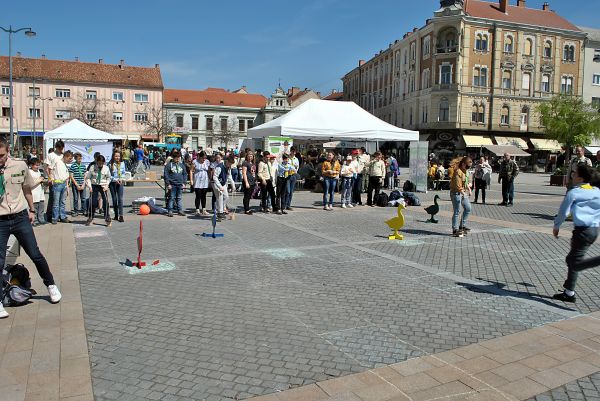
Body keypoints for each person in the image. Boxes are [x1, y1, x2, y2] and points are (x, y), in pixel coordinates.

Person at [0, 142, 62, 318]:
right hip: (1, 219)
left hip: (20, 217)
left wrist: (32, 209)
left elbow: (26, 187)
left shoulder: (19, 165)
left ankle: (51, 285)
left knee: (35, 254)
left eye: (2, 155)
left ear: (8, 152)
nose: (0, 160)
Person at [552, 165, 600, 303]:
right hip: (594, 231)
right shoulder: (596, 190)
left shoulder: (575, 192)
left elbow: (563, 212)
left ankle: (569, 292)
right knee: (573, 260)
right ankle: (569, 292)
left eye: (574, 173)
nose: (572, 175)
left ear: (580, 177)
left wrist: (556, 226)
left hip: (582, 232)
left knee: (573, 263)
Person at [45, 140, 71, 224]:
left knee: (62, 201)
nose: (61, 150)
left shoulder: (63, 156)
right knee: (53, 201)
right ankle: (52, 216)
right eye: (60, 148)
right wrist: (50, 178)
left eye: (62, 148)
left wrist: (67, 185)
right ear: (56, 147)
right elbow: (47, 167)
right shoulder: (51, 155)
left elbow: (65, 170)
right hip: (55, 181)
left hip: (62, 181)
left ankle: (61, 216)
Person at [85, 155, 112, 227]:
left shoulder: (106, 168)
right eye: (99, 163)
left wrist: (107, 185)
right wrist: (90, 186)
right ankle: (91, 216)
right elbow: (88, 178)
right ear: (97, 162)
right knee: (93, 202)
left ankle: (107, 217)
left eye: (102, 163)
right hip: (94, 185)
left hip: (103, 186)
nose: (100, 165)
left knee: (106, 201)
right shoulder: (92, 167)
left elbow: (109, 177)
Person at [450, 156, 473, 237]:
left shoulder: (465, 171)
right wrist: (464, 193)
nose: (468, 168)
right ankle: (455, 229)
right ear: (463, 164)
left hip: (463, 193)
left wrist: (469, 189)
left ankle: (462, 226)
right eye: (467, 166)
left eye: (470, 167)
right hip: (456, 193)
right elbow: (458, 186)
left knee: (468, 208)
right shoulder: (457, 172)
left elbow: (466, 182)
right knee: (457, 211)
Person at [164, 150, 187, 217]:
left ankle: (180, 210)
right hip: (172, 184)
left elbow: (185, 174)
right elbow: (166, 175)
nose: (178, 159)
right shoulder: (169, 165)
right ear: (173, 158)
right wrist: (168, 184)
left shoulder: (182, 165)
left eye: (179, 157)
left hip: (180, 184)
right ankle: (170, 210)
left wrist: (184, 183)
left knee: (179, 198)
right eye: (176, 158)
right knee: (171, 198)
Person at [108, 150, 126, 222]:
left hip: (120, 183)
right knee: (114, 199)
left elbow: (124, 173)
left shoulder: (122, 163)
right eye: (116, 156)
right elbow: (109, 175)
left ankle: (121, 215)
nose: (117, 157)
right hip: (113, 183)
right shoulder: (110, 164)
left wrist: (121, 179)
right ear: (113, 156)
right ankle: (116, 215)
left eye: (118, 156)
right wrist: (115, 179)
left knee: (120, 199)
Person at [191, 151, 211, 216]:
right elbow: (191, 171)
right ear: (200, 157)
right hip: (197, 180)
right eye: (203, 158)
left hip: (205, 180)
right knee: (198, 196)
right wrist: (191, 180)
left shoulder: (207, 162)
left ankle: (204, 209)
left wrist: (210, 179)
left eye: (205, 158)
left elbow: (208, 171)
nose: (204, 160)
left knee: (204, 196)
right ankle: (197, 210)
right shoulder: (195, 162)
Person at [28, 157, 46, 226]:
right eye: (36, 165)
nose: (37, 166)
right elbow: (30, 184)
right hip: (34, 193)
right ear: (31, 165)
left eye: (38, 165)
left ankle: (41, 219)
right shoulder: (29, 172)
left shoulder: (38, 171)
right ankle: (34, 220)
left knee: (41, 206)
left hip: (40, 192)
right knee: (34, 207)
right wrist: (39, 180)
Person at [69, 152, 86, 216]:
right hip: (75, 185)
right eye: (78, 158)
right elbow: (71, 175)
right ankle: (76, 211)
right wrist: (76, 184)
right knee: (76, 198)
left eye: (81, 158)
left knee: (83, 198)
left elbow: (85, 175)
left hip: (82, 184)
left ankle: (84, 210)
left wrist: (84, 183)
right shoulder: (73, 166)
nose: (80, 159)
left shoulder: (83, 166)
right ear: (75, 159)